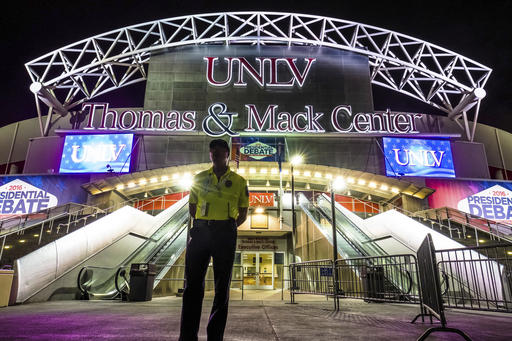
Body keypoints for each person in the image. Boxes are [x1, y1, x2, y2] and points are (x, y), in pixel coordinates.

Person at [179, 139, 249, 341]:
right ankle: (187, 336)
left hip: (225, 232)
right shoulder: (199, 178)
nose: (215, 154)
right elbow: (193, 207)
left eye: (219, 151)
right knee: (192, 286)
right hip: (201, 231)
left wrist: (226, 228)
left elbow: (243, 213)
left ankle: (215, 336)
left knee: (221, 288)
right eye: (212, 151)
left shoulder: (239, 181)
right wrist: (204, 223)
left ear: (227, 154)